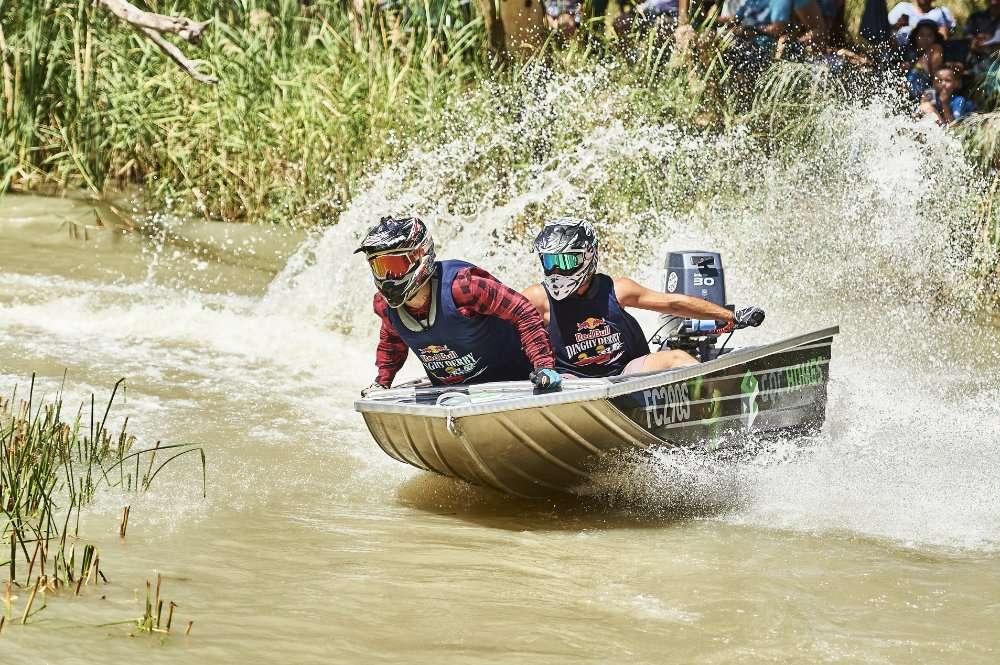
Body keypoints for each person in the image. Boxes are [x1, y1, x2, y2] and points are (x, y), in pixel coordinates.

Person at [522, 218, 766, 378]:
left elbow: (673, 303)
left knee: (678, 358)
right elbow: (501, 324)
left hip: (626, 376)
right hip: (572, 382)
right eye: (549, 261)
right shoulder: (538, 297)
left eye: (565, 261)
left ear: (587, 256)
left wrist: (731, 316)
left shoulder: (617, 289)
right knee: (564, 383)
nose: (556, 271)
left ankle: (715, 416)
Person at [356, 216, 563, 394]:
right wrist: (382, 382)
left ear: (420, 255)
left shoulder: (464, 287)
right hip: (453, 395)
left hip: (516, 382)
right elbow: (392, 342)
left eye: (394, 266)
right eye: (380, 268)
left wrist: (544, 366)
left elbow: (522, 310)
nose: (388, 278)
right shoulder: (385, 307)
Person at [888, 0, 955, 46]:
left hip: (928, 51)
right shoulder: (902, 7)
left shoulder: (941, 12)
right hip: (900, 47)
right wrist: (897, 25)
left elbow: (945, 39)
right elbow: (885, 29)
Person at [964, 0, 1000, 73]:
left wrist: (989, 38)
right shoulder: (975, 17)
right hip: (977, 58)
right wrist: (975, 41)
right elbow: (967, 35)